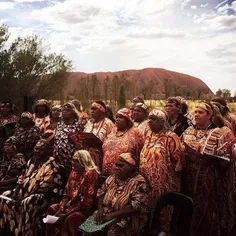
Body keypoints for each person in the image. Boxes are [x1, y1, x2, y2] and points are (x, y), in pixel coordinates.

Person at [181, 102, 236, 236]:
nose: (197, 115)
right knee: (188, 206)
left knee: (206, 212)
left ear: (209, 114)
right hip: (188, 177)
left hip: (208, 180)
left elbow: (225, 159)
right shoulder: (188, 131)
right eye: (196, 112)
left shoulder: (218, 133)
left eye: (201, 112)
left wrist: (203, 158)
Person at [0, 139, 64, 236]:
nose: (37, 151)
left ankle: (26, 232)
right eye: (36, 148)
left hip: (42, 196)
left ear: (46, 151)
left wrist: (22, 198)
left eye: (41, 149)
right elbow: (21, 179)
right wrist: (15, 193)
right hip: (25, 191)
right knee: (5, 196)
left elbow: (45, 189)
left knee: (26, 202)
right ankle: (8, 230)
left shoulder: (52, 165)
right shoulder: (31, 161)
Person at [139, 108, 184, 234]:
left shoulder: (171, 137)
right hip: (147, 181)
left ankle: (164, 232)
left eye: (154, 119)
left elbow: (179, 161)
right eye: (149, 118)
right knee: (149, 207)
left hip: (165, 183)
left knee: (164, 210)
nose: (150, 121)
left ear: (162, 122)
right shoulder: (149, 134)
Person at [46, 150, 101, 236]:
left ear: (84, 162)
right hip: (70, 205)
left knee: (70, 219)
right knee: (51, 210)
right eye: (73, 160)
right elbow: (66, 192)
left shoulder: (91, 174)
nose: (73, 163)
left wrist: (65, 214)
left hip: (83, 209)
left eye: (77, 161)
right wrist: (61, 209)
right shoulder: (74, 172)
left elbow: (87, 202)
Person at [94, 153, 149, 236]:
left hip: (128, 217)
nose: (116, 168)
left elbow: (135, 207)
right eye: (116, 165)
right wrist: (100, 210)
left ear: (131, 168)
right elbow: (100, 193)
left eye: (121, 166)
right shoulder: (112, 178)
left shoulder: (139, 183)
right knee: (90, 226)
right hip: (107, 212)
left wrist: (111, 216)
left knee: (112, 231)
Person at [102, 108, 144, 176]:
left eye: (121, 117)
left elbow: (139, 154)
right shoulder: (112, 131)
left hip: (126, 175)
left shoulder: (136, 133)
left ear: (128, 120)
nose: (117, 119)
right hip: (107, 175)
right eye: (116, 117)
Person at [53, 103, 84, 176]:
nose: (64, 112)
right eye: (63, 110)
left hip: (72, 160)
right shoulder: (59, 124)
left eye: (68, 110)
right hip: (59, 160)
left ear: (73, 112)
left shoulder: (78, 125)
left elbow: (81, 142)